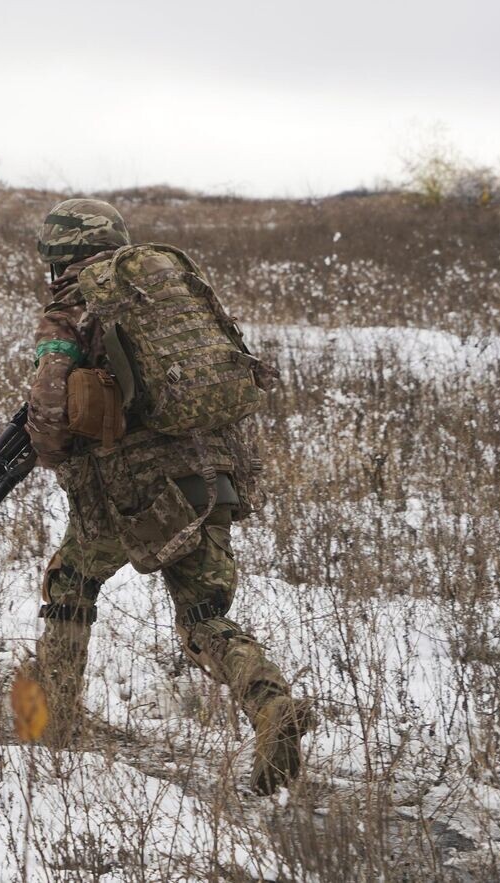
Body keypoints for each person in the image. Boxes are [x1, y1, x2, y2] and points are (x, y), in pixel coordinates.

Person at [25, 198, 311, 794]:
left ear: (58, 258)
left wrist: (55, 455)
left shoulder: (71, 307)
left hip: (133, 490)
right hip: (214, 472)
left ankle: (51, 727)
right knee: (205, 615)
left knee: (71, 582)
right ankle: (269, 702)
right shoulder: (161, 291)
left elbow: (49, 407)